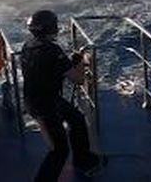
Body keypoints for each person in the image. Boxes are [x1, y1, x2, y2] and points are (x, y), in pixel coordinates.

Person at [20, 9, 105, 180]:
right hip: (45, 106)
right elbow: (78, 79)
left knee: (77, 119)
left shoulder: (28, 45)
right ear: (50, 28)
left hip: (40, 98)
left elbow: (47, 69)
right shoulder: (52, 50)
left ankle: (83, 160)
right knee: (59, 150)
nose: (57, 28)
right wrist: (81, 63)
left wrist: (69, 62)